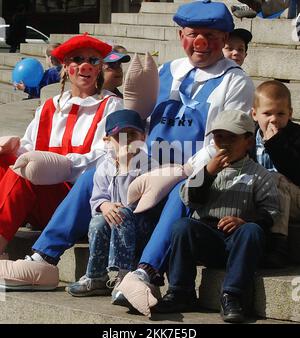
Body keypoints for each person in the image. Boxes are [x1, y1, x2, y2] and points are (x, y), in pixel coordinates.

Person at [0, 1, 253, 292]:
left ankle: (145, 272)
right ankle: (43, 258)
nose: (201, 43)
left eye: (210, 35)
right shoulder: (167, 70)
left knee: (181, 192)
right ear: (180, 35)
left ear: (223, 38)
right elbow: (140, 121)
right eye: (193, 34)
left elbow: (218, 144)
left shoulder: (235, 81)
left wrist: (179, 172)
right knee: (93, 176)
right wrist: (125, 153)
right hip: (144, 165)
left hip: (194, 172)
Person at [0, 34, 123, 282]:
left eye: (93, 60)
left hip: (81, 203)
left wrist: (63, 165)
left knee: (22, 176)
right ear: (65, 66)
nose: (85, 66)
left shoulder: (112, 106)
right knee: (7, 162)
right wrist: (14, 149)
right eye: (77, 59)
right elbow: (28, 149)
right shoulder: (48, 106)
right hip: (42, 202)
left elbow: (108, 158)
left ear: (100, 67)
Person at [150, 110, 280, 323]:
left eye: (232, 137)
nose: (225, 143)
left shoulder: (259, 175)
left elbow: (271, 212)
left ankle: (233, 295)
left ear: (248, 142)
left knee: (252, 231)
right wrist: (208, 174)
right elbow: (188, 197)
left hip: (240, 240)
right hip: (209, 236)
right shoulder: (206, 168)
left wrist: (245, 221)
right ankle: (181, 291)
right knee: (182, 227)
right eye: (220, 137)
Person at [65, 109, 159, 297]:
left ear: (143, 136)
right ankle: (96, 276)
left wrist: (126, 167)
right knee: (98, 221)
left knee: (122, 215)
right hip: (114, 223)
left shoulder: (150, 166)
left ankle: (124, 276)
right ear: (107, 140)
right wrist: (105, 206)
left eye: (132, 135)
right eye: (120, 136)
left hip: (139, 226)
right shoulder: (104, 167)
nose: (127, 141)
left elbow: (140, 204)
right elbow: (98, 198)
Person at [251, 80, 300, 266]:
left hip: (293, 198)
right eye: (267, 113)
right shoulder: (248, 138)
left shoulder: (296, 136)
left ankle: (278, 245)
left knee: (275, 178)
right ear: (254, 114)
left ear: (290, 114)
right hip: (261, 199)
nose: (274, 119)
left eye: (280, 114)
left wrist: (276, 146)